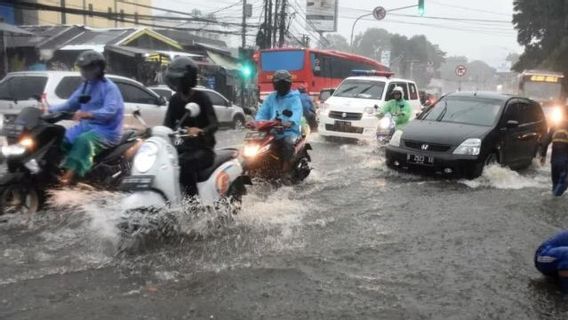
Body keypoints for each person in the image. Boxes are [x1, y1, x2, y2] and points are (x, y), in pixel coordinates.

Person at [47, 50, 124, 185]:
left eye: (87, 68)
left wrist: (89, 114)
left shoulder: (110, 88)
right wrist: (48, 110)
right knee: (61, 140)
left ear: (98, 68)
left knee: (83, 141)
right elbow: (70, 104)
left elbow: (110, 111)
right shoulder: (85, 86)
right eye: (82, 68)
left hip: (107, 131)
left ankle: (68, 179)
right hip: (86, 126)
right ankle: (54, 170)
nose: (83, 71)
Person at [163, 56, 219, 196]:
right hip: (181, 147)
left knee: (184, 164)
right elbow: (167, 124)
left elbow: (214, 124)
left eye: (179, 79)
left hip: (203, 149)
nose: (176, 83)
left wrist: (201, 131)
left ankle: (192, 204)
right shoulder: (174, 100)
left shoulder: (201, 98)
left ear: (187, 79)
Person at [255, 70, 303, 172]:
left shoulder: (294, 98)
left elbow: (297, 112)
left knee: (288, 144)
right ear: (274, 85)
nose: (281, 86)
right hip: (272, 130)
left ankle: (286, 171)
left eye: (283, 84)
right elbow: (262, 112)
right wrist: (257, 122)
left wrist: (290, 122)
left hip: (289, 132)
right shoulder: (271, 97)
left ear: (289, 84)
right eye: (278, 84)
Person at [540, 107, 568, 196]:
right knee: (564, 183)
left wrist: (543, 156)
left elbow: (545, 142)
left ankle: (553, 200)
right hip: (565, 162)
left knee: (555, 184)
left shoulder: (554, 127)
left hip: (554, 162)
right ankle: (553, 199)